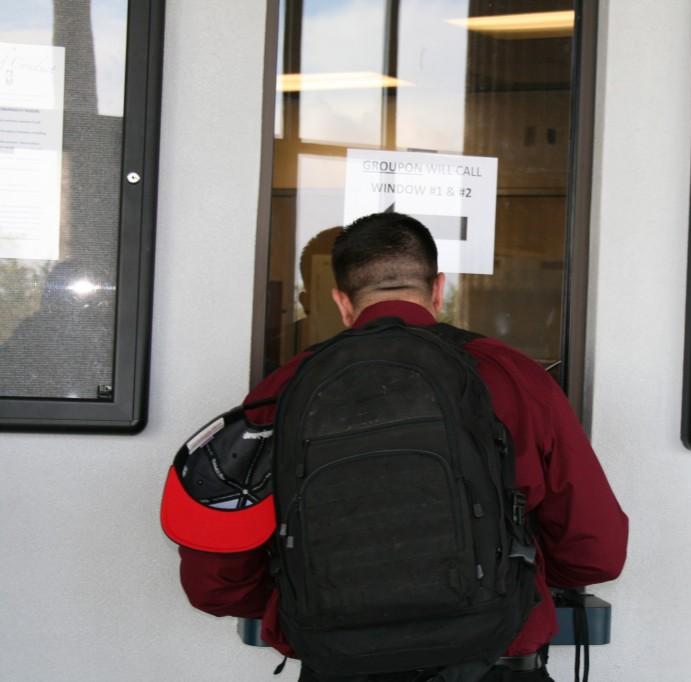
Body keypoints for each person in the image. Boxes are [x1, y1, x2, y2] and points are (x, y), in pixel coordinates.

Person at [176, 212, 628, 681]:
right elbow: (595, 553)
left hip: (340, 667)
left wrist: (303, 596)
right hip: (495, 664)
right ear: (438, 288)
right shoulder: (514, 378)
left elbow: (215, 585)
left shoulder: (284, 391)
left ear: (342, 302)